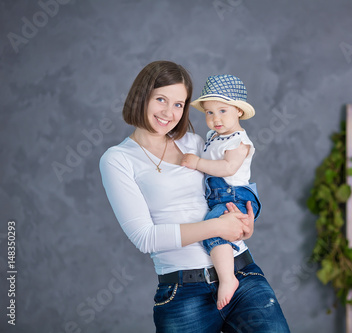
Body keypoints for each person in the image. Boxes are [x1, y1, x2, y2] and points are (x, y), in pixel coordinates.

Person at [99, 60, 290, 333]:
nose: (169, 112)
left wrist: (243, 224)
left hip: (242, 274)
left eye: (179, 104)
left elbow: (225, 191)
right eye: (161, 99)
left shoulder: (195, 142)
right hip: (183, 293)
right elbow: (145, 237)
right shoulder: (118, 159)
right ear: (141, 97)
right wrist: (217, 227)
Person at [181, 74, 261, 310]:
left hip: (235, 195)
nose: (216, 118)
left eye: (223, 111)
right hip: (221, 195)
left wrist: (196, 163)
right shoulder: (213, 137)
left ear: (238, 111)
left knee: (213, 229)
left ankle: (228, 279)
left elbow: (228, 168)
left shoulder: (238, 141)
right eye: (209, 112)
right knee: (214, 226)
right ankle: (227, 275)